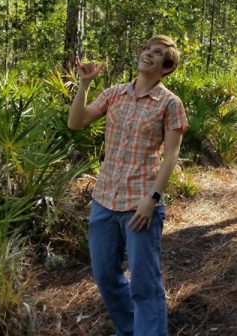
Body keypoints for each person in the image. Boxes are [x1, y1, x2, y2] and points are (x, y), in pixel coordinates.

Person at [67, 35, 188, 336]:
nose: (149, 54)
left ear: (167, 67)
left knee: (144, 282)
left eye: (158, 53)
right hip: (104, 198)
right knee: (105, 274)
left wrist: (152, 198)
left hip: (140, 202)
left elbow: (171, 156)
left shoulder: (170, 103)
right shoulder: (114, 94)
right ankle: (131, 328)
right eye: (147, 49)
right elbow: (76, 122)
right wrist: (83, 85)